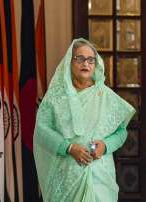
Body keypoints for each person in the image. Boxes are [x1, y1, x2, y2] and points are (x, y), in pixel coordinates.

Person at [33, 38, 135, 202]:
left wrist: (105, 145)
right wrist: (69, 148)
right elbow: (42, 131)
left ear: (96, 64)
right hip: (67, 177)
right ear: (70, 62)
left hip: (99, 177)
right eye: (79, 58)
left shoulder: (105, 96)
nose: (85, 64)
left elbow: (121, 132)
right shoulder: (56, 97)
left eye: (90, 60)